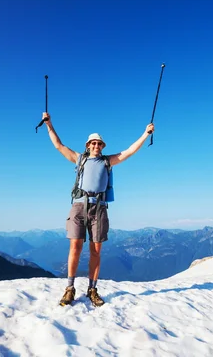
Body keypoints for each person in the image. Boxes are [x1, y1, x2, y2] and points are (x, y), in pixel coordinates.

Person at [42, 112, 154, 307]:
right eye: (93, 143)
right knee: (75, 247)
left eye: (99, 144)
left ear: (102, 147)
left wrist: (146, 133)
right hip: (79, 206)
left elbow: (129, 151)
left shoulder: (107, 161)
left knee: (96, 250)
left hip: (99, 208)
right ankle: (70, 288)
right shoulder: (79, 159)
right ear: (88, 146)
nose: (96, 146)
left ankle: (92, 289)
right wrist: (49, 124)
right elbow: (58, 145)